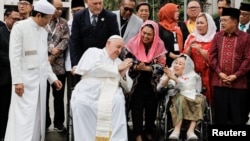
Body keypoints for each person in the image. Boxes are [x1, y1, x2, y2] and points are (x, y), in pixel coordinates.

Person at [4, 0, 62, 141]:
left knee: (37, 119)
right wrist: (17, 81)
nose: (48, 22)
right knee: (22, 120)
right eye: (47, 18)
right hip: (24, 83)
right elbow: (14, 56)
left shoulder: (43, 32)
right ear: (38, 15)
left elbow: (44, 60)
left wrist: (53, 78)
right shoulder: (20, 27)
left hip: (40, 83)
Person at [71, 35, 133, 141]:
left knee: (118, 101)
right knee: (81, 103)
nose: (119, 50)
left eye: (121, 48)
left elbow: (128, 87)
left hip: (111, 96)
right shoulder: (94, 52)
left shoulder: (119, 61)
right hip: (88, 91)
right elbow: (94, 69)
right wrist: (117, 69)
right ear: (108, 43)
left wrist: (122, 74)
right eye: (117, 47)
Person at [120, 20, 167, 141]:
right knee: (137, 107)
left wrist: (148, 68)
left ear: (154, 35)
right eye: (143, 33)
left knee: (152, 106)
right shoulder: (132, 43)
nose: (145, 36)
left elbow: (162, 66)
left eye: (149, 34)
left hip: (152, 83)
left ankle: (149, 131)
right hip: (136, 82)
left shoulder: (159, 45)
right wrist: (135, 67)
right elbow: (125, 62)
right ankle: (138, 134)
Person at [209, 7, 250, 125]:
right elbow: (212, 56)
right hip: (219, 83)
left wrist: (236, 75)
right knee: (220, 118)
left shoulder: (246, 37)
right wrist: (220, 73)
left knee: (238, 118)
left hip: (239, 84)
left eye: (225, 20)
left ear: (235, 22)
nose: (222, 23)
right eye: (221, 20)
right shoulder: (218, 36)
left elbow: (248, 59)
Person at [69, 0, 120, 85]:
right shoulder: (79, 16)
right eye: (95, 3)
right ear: (87, 2)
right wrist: (75, 64)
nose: (98, 6)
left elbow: (115, 41)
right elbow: (74, 42)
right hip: (84, 63)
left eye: (100, 3)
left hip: (103, 63)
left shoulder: (110, 17)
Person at [157, 54, 206, 140]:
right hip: (175, 97)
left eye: (180, 64)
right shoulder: (170, 71)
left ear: (186, 66)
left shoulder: (192, 75)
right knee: (181, 98)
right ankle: (176, 130)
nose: (176, 65)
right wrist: (168, 77)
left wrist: (175, 79)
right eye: (176, 62)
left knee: (201, 100)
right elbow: (159, 88)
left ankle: (191, 131)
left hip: (192, 97)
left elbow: (187, 88)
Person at [45, 0, 70, 132]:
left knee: (59, 96)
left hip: (59, 66)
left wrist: (55, 52)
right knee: (44, 96)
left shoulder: (64, 23)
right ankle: (45, 122)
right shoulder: (43, 20)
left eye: (61, 8)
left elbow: (66, 39)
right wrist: (49, 52)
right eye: (57, 8)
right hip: (44, 64)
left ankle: (59, 123)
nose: (59, 11)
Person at [183, 13, 217, 103]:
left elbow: (215, 59)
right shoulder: (192, 37)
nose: (199, 25)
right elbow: (184, 57)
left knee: (211, 102)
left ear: (208, 24)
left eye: (202, 23)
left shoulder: (215, 38)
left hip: (211, 75)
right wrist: (190, 47)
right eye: (197, 23)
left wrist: (201, 50)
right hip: (194, 75)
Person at [0, 8, 20, 141]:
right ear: (6, 17)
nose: (17, 22)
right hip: (4, 78)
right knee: (2, 109)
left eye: (19, 19)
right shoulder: (1, 33)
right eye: (14, 19)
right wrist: (16, 62)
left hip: (19, 80)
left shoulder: (20, 33)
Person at [158, 3, 189, 67]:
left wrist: (183, 54)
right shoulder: (160, 27)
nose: (178, 13)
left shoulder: (181, 25)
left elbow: (187, 40)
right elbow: (158, 44)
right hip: (166, 60)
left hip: (181, 59)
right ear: (169, 12)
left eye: (178, 11)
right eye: (176, 11)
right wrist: (171, 55)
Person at [239, 2, 250, 125]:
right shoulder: (235, 27)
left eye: (245, 15)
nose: (241, 17)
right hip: (238, 70)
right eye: (240, 14)